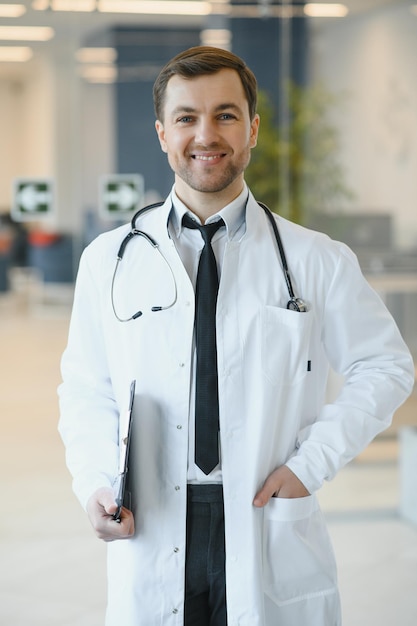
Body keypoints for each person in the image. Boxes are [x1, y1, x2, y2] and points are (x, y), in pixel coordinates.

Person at [58, 46, 414, 626]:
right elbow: (85, 388)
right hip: (151, 515)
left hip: (266, 512)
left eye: (225, 115)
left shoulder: (316, 259)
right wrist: (96, 482)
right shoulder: (108, 261)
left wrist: (310, 465)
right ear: (161, 133)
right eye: (186, 118)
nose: (206, 134)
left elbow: (387, 366)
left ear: (252, 129)